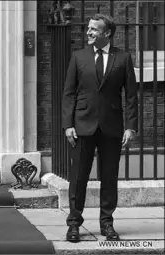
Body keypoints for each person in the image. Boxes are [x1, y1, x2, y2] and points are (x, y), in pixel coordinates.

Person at [62, 13, 138, 242]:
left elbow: (132, 96)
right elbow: (69, 94)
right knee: (78, 178)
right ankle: (74, 223)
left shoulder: (123, 58)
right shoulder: (78, 57)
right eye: (88, 29)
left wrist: (130, 127)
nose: (88, 32)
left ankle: (107, 224)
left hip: (111, 127)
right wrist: (68, 125)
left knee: (109, 177)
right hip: (82, 126)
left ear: (107, 34)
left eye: (94, 29)